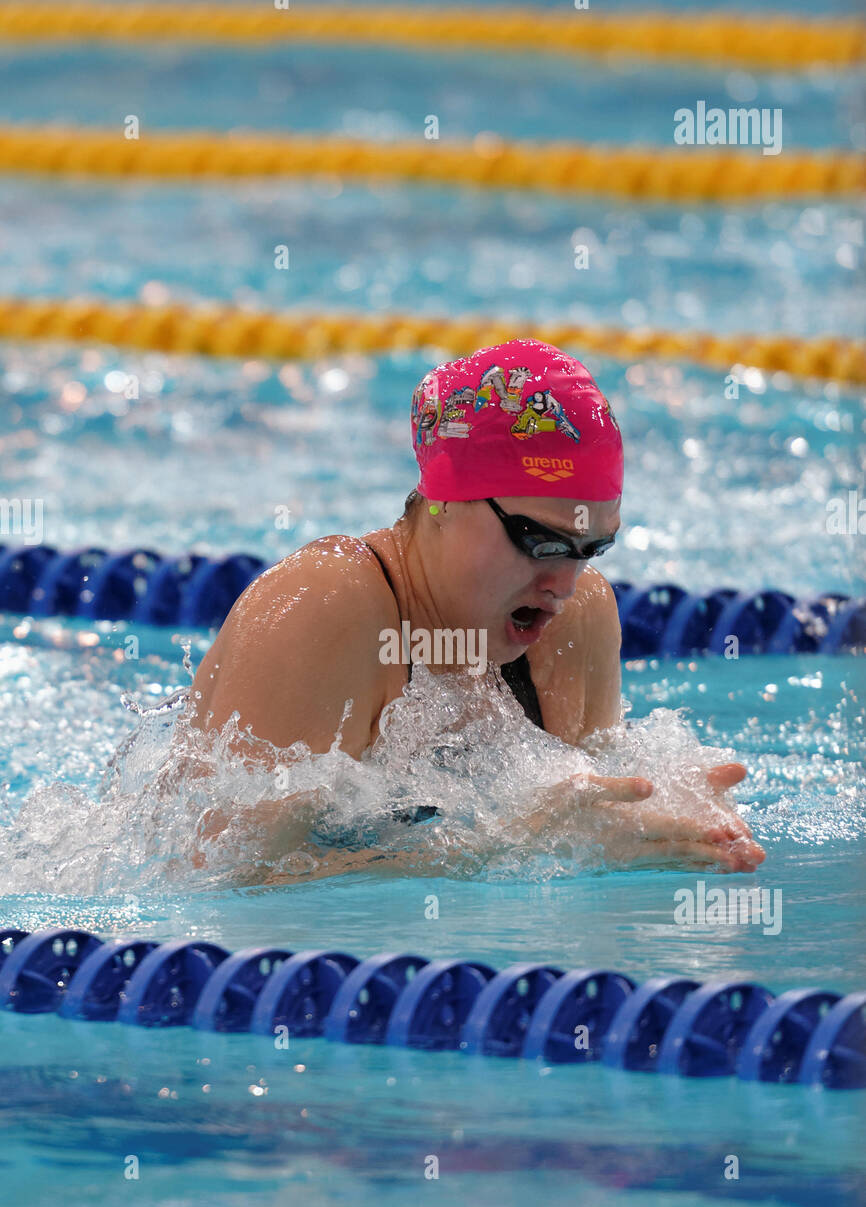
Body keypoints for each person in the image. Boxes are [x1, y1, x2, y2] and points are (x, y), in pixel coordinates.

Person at [189, 338, 765, 873]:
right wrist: (517, 851)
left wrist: (660, 816)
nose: (563, 585)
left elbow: (586, 814)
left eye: (591, 549)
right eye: (538, 540)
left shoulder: (580, 620)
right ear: (443, 499)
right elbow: (224, 875)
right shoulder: (324, 606)